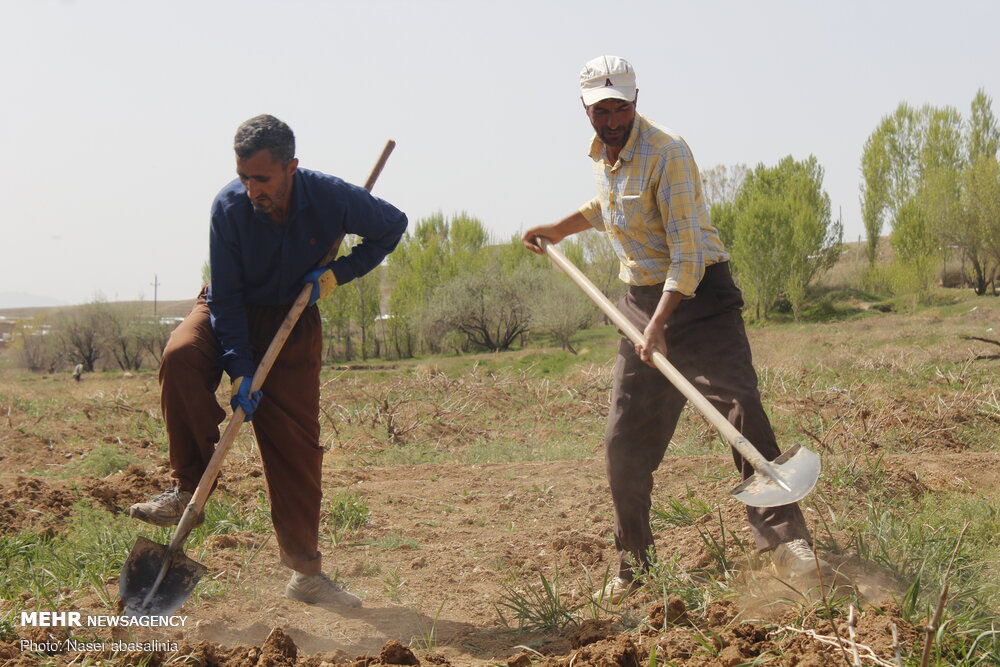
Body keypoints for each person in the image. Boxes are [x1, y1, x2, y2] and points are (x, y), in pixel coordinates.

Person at [522, 56, 832, 601]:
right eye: (601, 110)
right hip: (641, 302)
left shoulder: (669, 152)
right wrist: (560, 228)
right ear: (585, 108)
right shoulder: (602, 155)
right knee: (624, 440)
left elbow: (687, 255)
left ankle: (788, 544)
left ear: (636, 100)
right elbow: (607, 206)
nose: (612, 119)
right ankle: (633, 565)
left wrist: (661, 325)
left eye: (621, 107)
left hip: (700, 298)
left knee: (740, 410)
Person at [129, 115, 407, 608]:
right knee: (180, 356)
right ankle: (186, 488)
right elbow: (228, 299)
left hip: (293, 320)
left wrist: (335, 276)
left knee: (296, 452)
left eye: (263, 178)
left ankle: (306, 576)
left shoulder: (332, 198)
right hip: (227, 309)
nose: (252, 188)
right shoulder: (229, 208)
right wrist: (240, 368)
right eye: (244, 176)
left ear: (291, 168)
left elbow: (392, 227)